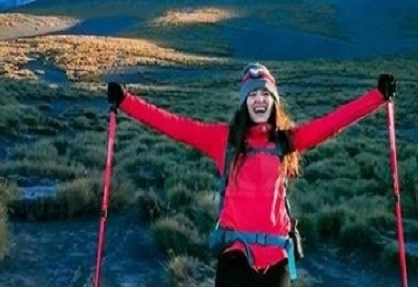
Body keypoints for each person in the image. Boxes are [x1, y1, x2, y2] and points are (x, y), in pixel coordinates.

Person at [107, 63, 397, 287]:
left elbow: (332, 123)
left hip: (278, 262)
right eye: (253, 94)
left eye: (265, 95)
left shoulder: (287, 141)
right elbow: (173, 125)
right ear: (244, 101)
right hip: (235, 258)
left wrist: (377, 97)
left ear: (274, 101)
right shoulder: (223, 140)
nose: (259, 100)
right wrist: (126, 102)